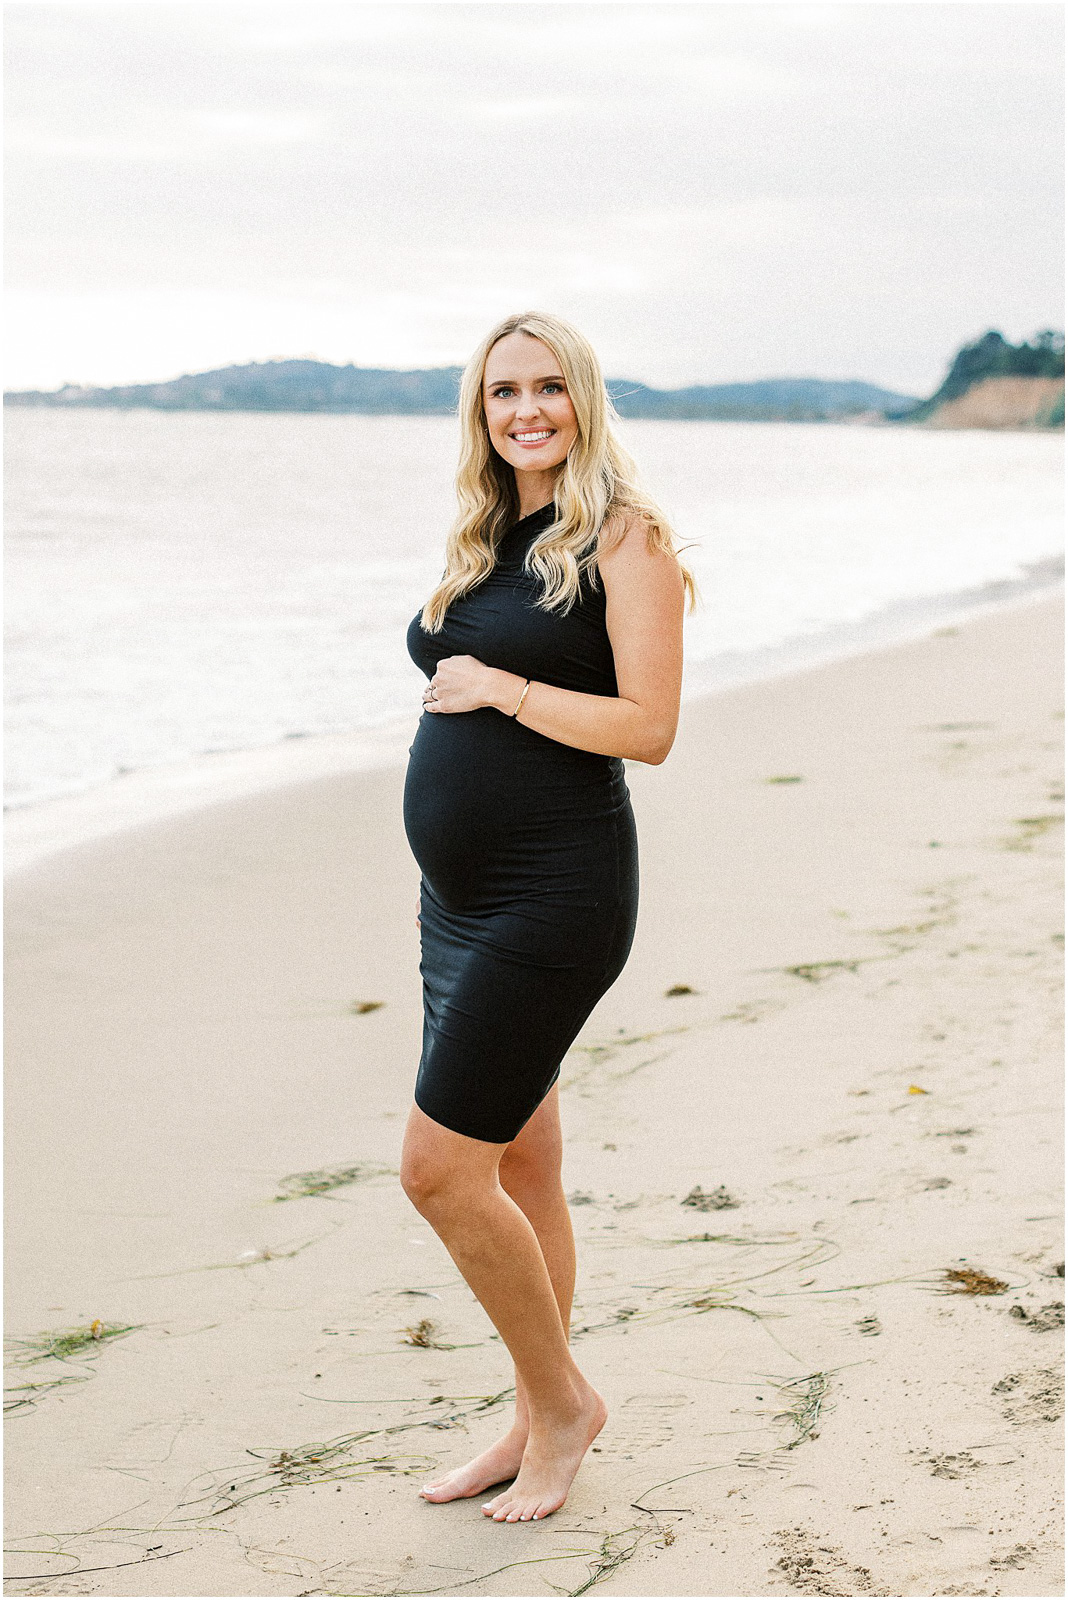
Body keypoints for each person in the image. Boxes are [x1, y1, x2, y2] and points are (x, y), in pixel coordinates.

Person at [401, 310, 696, 1523]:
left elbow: (651, 728)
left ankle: (564, 1403)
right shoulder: (490, 533)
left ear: (583, 399)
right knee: (523, 1162)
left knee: (438, 1173)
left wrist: (503, 690)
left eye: (546, 388)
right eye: (501, 391)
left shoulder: (627, 538)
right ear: (481, 411)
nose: (524, 409)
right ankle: (534, 1415)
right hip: (457, 902)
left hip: (557, 895)